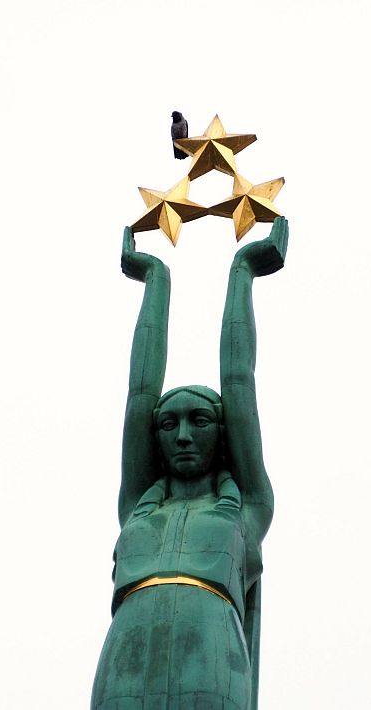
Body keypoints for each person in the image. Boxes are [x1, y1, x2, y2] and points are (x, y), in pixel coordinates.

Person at [91, 217, 289, 710]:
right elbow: (140, 394)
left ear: (221, 434)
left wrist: (242, 272)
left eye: (199, 421)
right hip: (127, 645)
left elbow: (238, 382)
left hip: (211, 644)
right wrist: (155, 277)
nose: (181, 435)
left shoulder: (247, 509)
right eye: (168, 424)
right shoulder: (139, 504)